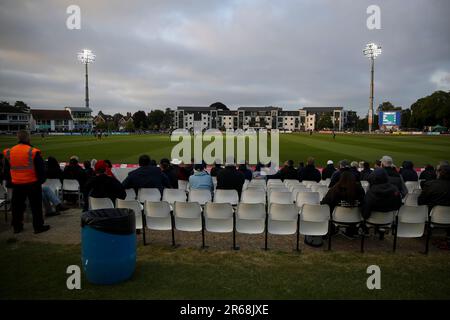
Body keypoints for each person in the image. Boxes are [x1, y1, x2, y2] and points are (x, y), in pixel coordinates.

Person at [2, 130, 50, 234]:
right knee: (36, 206)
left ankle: (17, 227)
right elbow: (41, 169)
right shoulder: (32, 151)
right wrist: (41, 181)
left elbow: (6, 170)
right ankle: (38, 227)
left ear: (18, 139)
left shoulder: (9, 152)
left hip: (17, 184)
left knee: (17, 207)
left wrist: (10, 182)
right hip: (32, 183)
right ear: (28, 138)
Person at [321, 171, 365, 238]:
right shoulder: (359, 189)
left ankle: (331, 229)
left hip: (337, 218)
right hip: (355, 218)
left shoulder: (335, 189)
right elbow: (363, 203)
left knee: (326, 208)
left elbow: (324, 203)